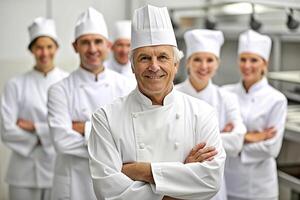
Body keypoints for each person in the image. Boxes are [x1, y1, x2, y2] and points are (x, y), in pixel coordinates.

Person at [88, 5, 226, 200]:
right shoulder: (106, 118)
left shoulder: (202, 113)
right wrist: (183, 178)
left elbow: (211, 180)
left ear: (176, 64)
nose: (154, 67)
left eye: (163, 57)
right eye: (144, 58)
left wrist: (142, 171)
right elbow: (108, 191)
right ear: (133, 66)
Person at [47, 7, 134, 200]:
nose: (92, 49)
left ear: (108, 45)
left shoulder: (126, 86)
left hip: (116, 182)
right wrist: (111, 143)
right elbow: (61, 141)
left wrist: (84, 129)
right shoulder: (59, 90)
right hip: (73, 182)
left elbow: (133, 137)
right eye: (85, 42)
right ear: (75, 46)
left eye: (97, 42)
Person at [0, 17, 68, 200]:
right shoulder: (15, 84)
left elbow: (71, 127)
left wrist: (34, 128)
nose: (44, 53)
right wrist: (48, 135)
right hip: (23, 173)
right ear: (31, 50)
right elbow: (6, 130)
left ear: (56, 48)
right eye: (39, 47)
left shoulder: (68, 82)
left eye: (49, 47)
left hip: (58, 168)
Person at [176, 29, 246, 200]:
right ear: (188, 63)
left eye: (210, 60)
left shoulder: (227, 98)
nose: (204, 66)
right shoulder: (173, 95)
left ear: (217, 63)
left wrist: (185, 141)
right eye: (197, 59)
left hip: (214, 186)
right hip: (178, 181)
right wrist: (220, 135)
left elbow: (237, 142)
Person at [223, 30, 287, 200]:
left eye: (254, 60)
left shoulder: (276, 100)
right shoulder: (225, 93)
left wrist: (233, 141)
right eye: (243, 59)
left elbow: (271, 147)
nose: (247, 65)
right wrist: (252, 137)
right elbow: (215, 137)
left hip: (260, 187)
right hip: (227, 180)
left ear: (264, 64)